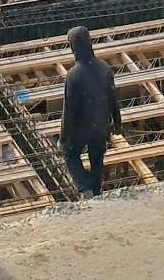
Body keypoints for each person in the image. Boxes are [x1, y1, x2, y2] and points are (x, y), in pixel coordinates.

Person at [60, 25, 122, 197]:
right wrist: (118, 124)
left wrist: (64, 138)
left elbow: (69, 110)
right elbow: (113, 100)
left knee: (70, 153)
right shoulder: (105, 68)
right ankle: (95, 190)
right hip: (102, 125)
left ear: (73, 46)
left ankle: (84, 187)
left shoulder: (73, 75)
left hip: (82, 128)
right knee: (97, 158)